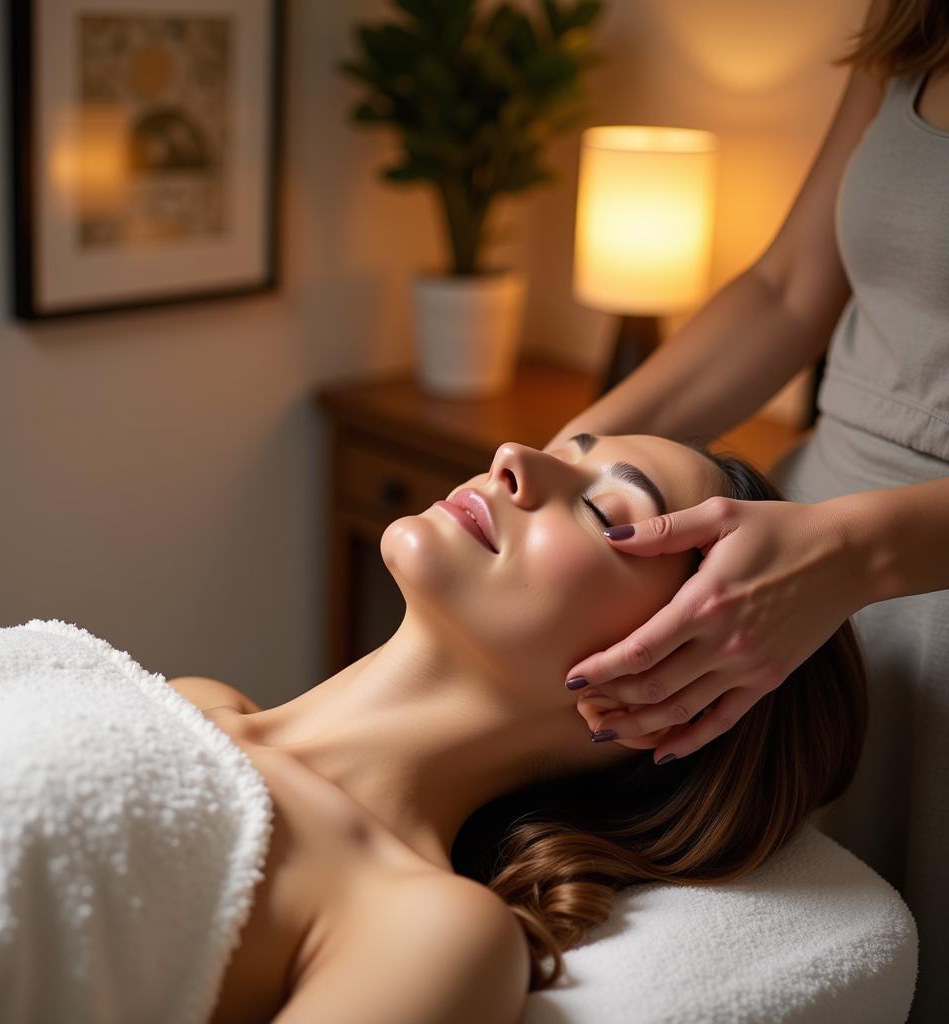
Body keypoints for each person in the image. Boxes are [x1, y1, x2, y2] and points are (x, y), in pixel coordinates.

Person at [542, 1, 948, 1019]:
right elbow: (782, 291)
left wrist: (856, 552)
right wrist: (561, 460)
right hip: (789, 572)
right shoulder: (915, 18)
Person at [169, 433, 866, 1022]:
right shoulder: (190, 698)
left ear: (667, 700)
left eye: (605, 510)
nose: (512, 455)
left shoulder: (428, 932)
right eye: (567, 447)